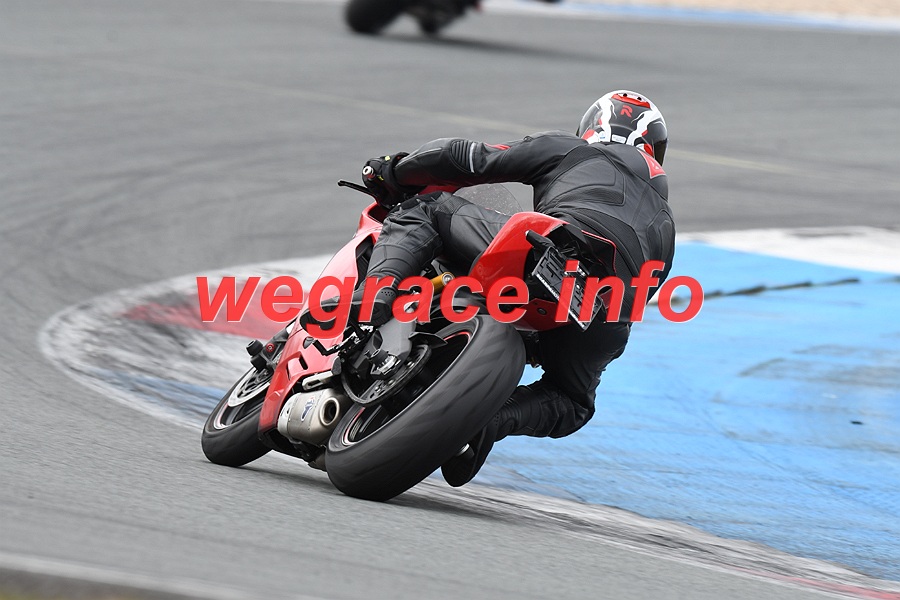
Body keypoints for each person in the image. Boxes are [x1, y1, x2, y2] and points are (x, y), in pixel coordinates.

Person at [355, 90, 675, 487]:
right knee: (572, 401)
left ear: (593, 126)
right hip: (604, 310)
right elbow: (643, 293)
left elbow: (467, 158)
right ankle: (490, 421)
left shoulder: (573, 149)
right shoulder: (666, 225)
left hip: (550, 246)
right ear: (655, 149)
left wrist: (395, 171)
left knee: (428, 208)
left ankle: (376, 294)